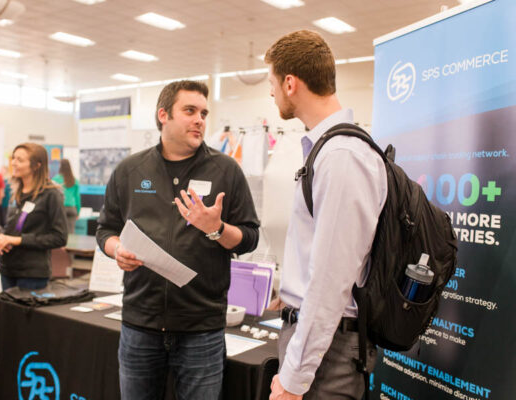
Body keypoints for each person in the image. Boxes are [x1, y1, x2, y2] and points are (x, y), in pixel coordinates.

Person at [96, 80, 260, 400]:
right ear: (163, 115)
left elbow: (250, 237)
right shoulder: (130, 170)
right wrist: (117, 250)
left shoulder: (226, 170)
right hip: (139, 324)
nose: (200, 119)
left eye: (203, 112)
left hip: (202, 329)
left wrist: (217, 228)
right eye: (189, 111)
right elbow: (105, 229)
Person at [264, 30, 387, 400]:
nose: (270, 94)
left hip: (326, 358)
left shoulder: (342, 156)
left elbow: (331, 282)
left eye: (271, 83)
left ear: (290, 83)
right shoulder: (328, 151)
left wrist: (293, 380)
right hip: (317, 344)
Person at [0, 143, 68, 290]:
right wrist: (2, 238)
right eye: (13, 158)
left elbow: (60, 237)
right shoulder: (16, 193)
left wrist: (18, 240)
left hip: (32, 274)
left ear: (36, 166)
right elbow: (12, 228)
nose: (14, 163)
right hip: (8, 270)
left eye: (20, 160)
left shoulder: (51, 194)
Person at [52, 158, 81, 234]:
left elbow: (53, 196)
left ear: (60, 167)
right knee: (71, 232)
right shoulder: (75, 180)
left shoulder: (55, 179)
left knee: (60, 231)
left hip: (61, 208)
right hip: (72, 209)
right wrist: (78, 211)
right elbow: (77, 198)